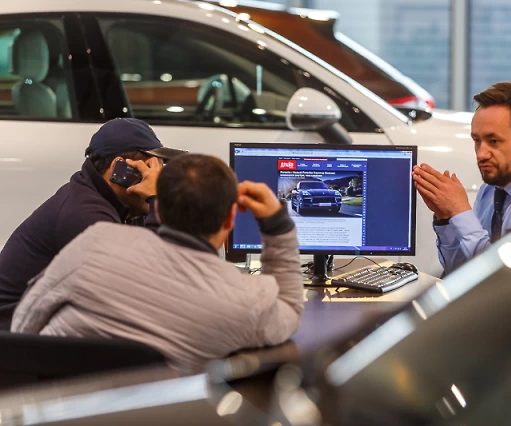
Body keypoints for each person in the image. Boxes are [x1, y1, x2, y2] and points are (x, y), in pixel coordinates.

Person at [12, 154, 303, 374]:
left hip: (54, 409)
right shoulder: (247, 302)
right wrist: (277, 225)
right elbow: (290, 310)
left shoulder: (94, 242)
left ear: (158, 208)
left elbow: (26, 323)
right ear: (229, 219)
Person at [0, 118, 185, 330]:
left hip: (43, 326)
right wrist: (157, 200)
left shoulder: (123, 206)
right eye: (151, 167)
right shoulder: (83, 213)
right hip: (14, 336)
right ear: (120, 169)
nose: (158, 178)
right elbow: (145, 282)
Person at [412, 81, 511, 274]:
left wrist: (460, 211)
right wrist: (446, 217)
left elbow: (505, 278)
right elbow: (462, 271)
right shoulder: (491, 189)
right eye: (477, 140)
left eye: (494, 141)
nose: (481, 154)